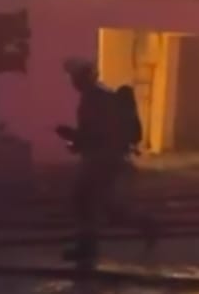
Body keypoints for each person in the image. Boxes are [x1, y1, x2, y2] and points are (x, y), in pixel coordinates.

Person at [56, 58, 149, 262]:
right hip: (103, 158)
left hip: (103, 159)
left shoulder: (95, 100)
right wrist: (75, 140)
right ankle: (146, 226)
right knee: (103, 205)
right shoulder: (97, 97)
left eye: (75, 78)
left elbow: (97, 134)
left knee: (84, 201)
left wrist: (72, 136)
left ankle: (87, 248)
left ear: (84, 78)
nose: (73, 82)